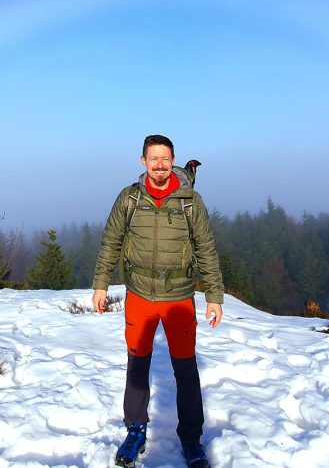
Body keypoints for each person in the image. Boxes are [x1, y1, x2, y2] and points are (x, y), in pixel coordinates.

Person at [92, 134, 225, 468]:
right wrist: (100, 285)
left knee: (185, 369)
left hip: (179, 296)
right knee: (138, 366)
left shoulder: (190, 201)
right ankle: (135, 430)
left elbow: (206, 247)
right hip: (139, 294)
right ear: (143, 162)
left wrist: (214, 295)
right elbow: (111, 240)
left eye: (165, 158)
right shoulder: (130, 199)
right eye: (154, 159)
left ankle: (191, 439)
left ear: (173, 160)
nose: (160, 165)